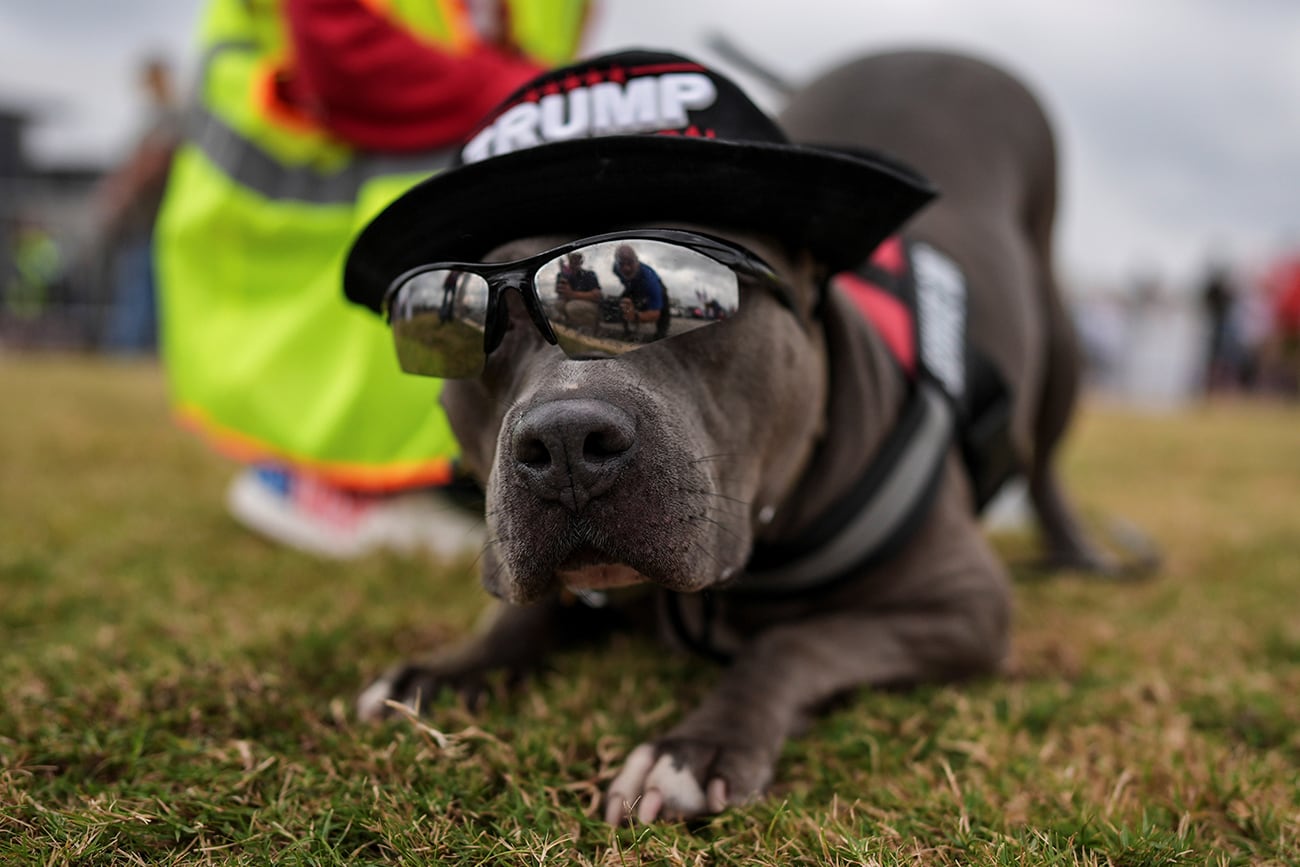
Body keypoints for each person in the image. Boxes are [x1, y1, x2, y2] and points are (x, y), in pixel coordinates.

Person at [154, 0, 592, 559]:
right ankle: (341, 488)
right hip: (315, 214)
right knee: (376, 352)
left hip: (428, 204)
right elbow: (345, 52)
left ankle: (444, 480)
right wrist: (534, 94)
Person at [94, 56, 181, 354]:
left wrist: (124, 191)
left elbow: (152, 165)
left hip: (154, 220)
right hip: (145, 221)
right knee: (142, 289)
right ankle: (134, 352)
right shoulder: (159, 118)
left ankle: (129, 353)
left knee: (141, 291)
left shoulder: (168, 118)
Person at [611, 243, 671, 341]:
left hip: (655, 286)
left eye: (630, 262)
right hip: (632, 286)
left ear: (637, 261)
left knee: (663, 309)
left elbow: (655, 313)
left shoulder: (649, 279)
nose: (626, 268)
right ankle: (627, 332)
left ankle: (661, 335)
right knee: (623, 302)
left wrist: (635, 316)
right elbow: (626, 281)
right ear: (617, 263)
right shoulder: (615, 269)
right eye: (621, 263)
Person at [554, 251, 602, 330]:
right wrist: (561, 289)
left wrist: (572, 294)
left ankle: (590, 327)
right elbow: (558, 291)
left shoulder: (589, 274)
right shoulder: (561, 275)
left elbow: (597, 295)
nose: (574, 261)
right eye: (572, 258)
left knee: (572, 307)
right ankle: (573, 324)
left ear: (581, 261)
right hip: (571, 302)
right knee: (559, 304)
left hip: (590, 305)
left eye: (577, 259)